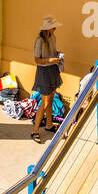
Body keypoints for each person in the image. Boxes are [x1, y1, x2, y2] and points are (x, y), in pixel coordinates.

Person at [31, 15, 63, 143]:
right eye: (53, 27)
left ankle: (49, 125)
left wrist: (58, 56)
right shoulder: (39, 41)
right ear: (48, 28)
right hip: (44, 71)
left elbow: (52, 52)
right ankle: (35, 131)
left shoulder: (52, 37)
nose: (55, 29)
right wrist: (52, 60)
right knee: (44, 103)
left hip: (52, 69)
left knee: (50, 99)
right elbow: (37, 60)